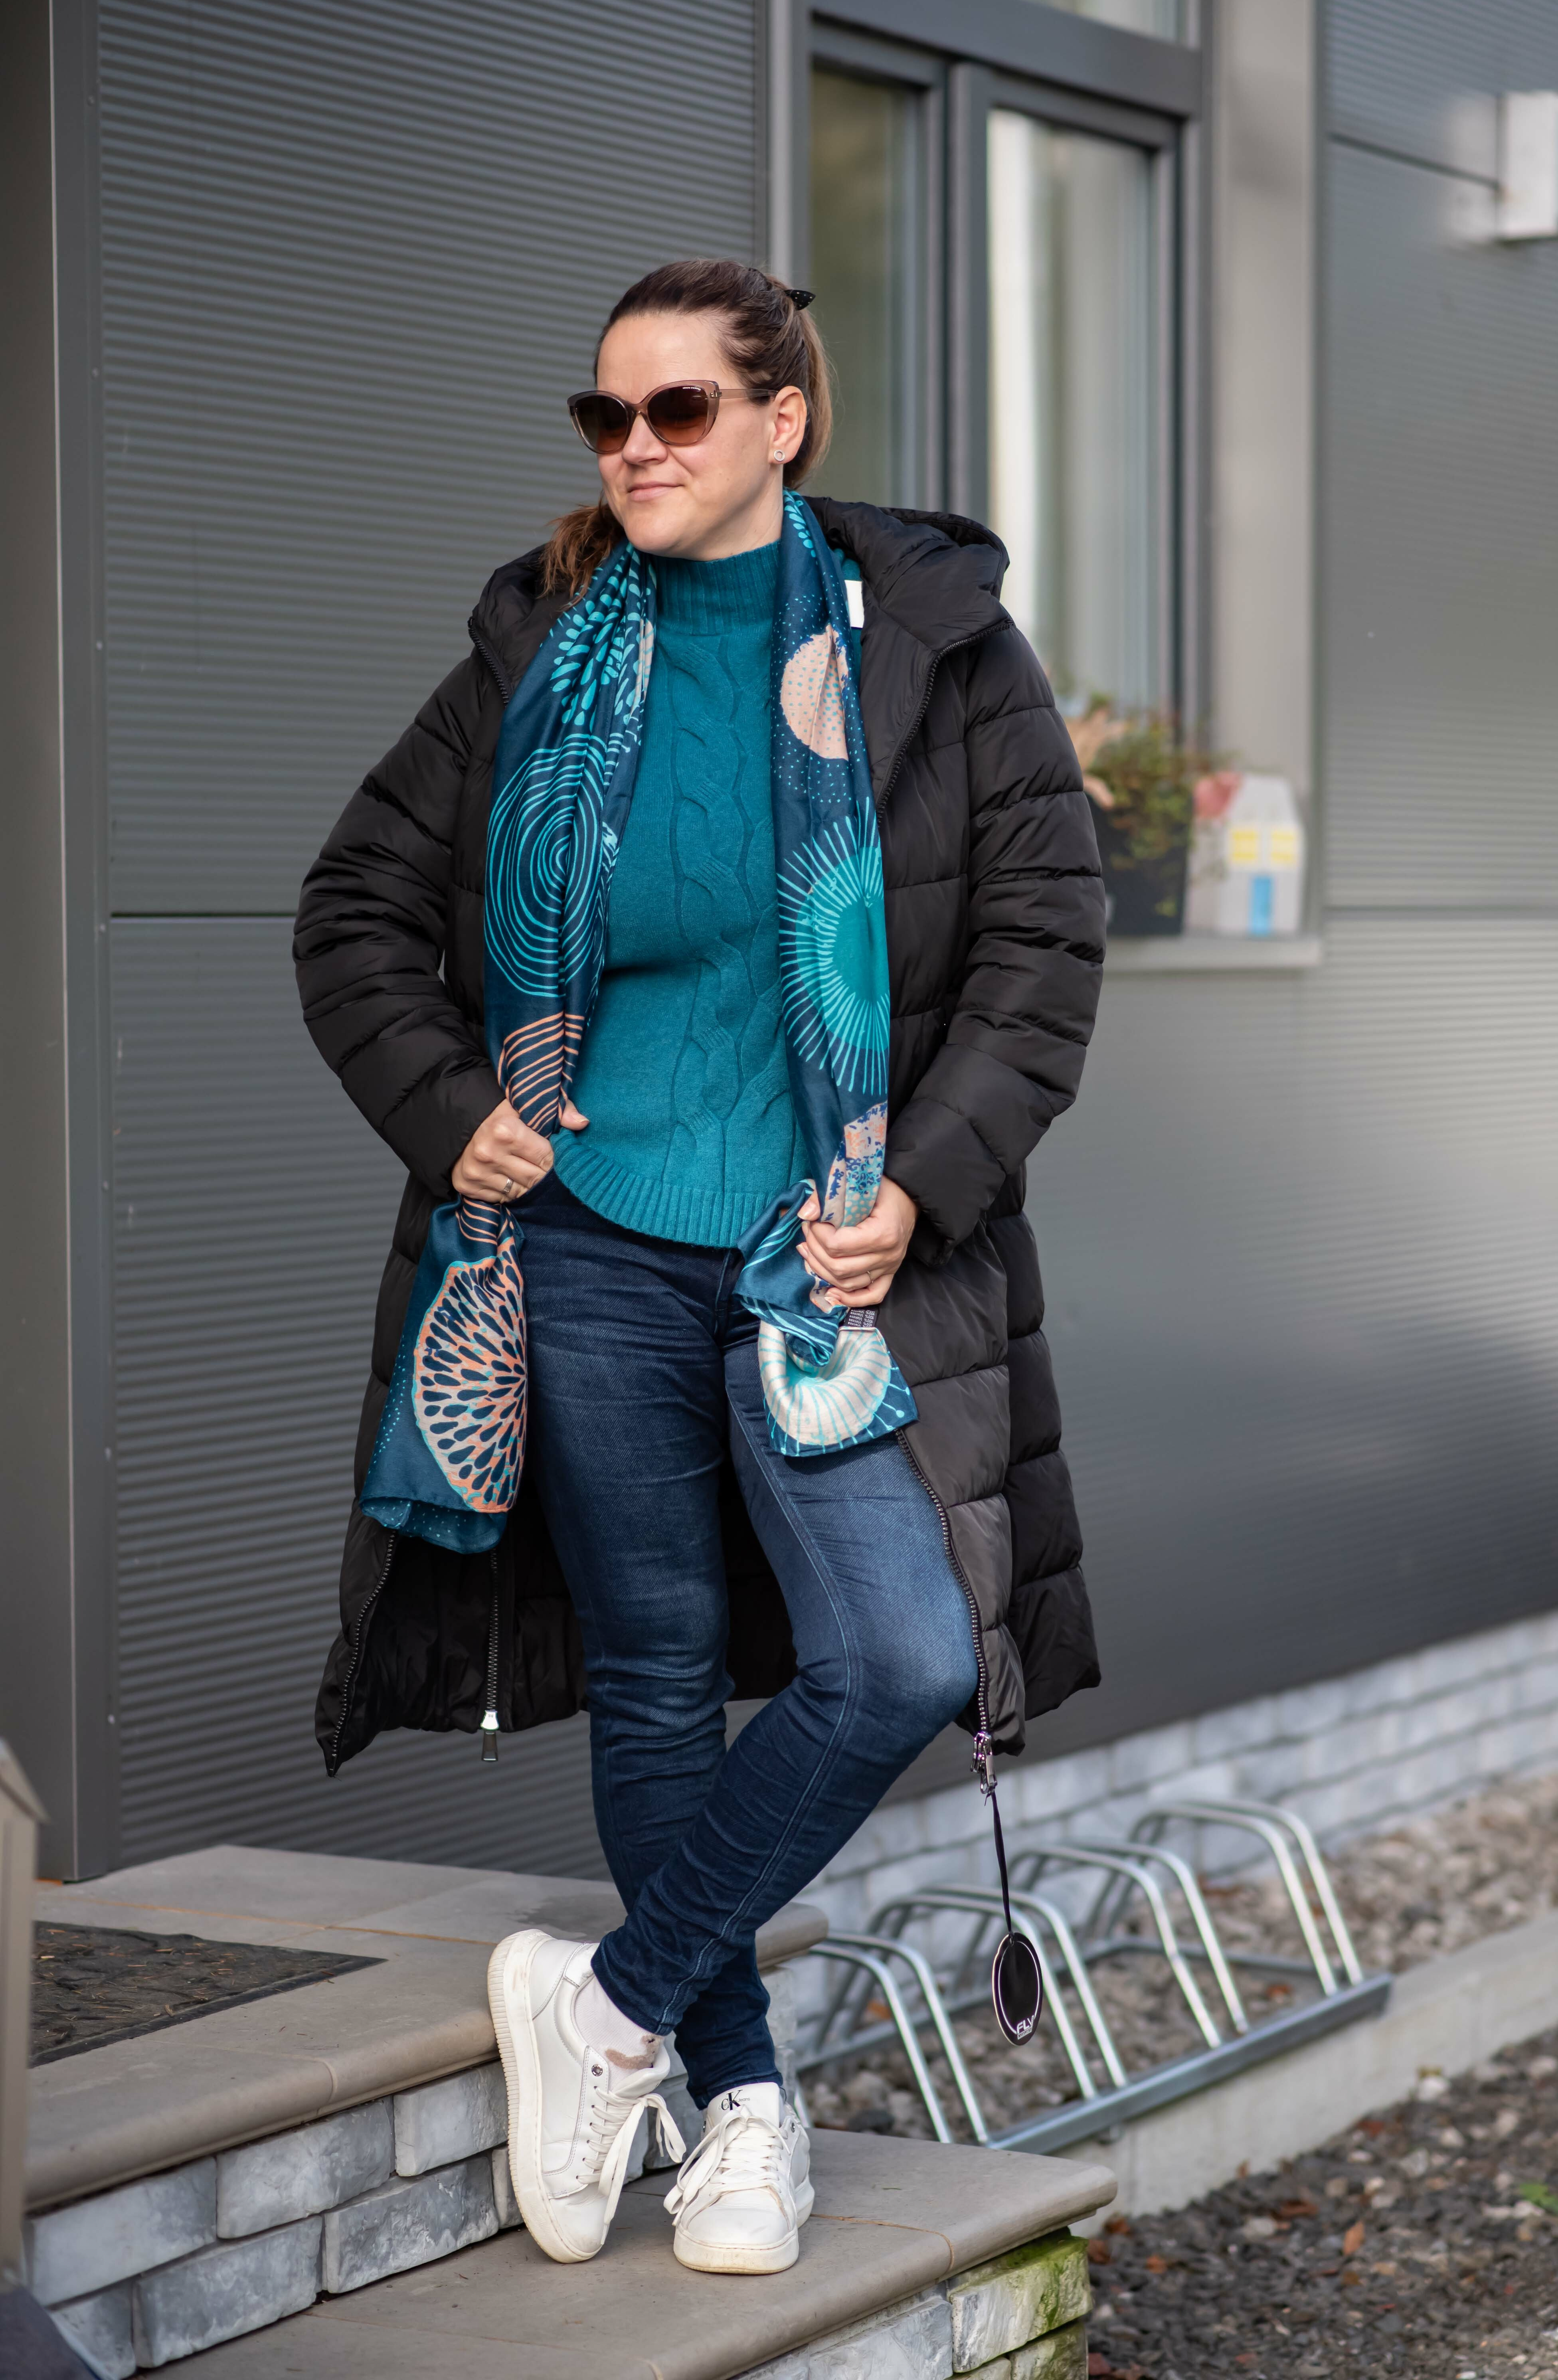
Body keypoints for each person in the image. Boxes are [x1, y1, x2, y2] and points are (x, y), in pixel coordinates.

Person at [294, 257, 1104, 2277]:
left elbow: (1041, 955)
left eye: (676, 409)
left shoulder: (940, 648)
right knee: (654, 1676)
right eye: (607, 415)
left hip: (820, 1256)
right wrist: (448, 1110)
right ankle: (739, 2106)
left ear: (780, 419)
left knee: (896, 1656)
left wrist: (921, 1186)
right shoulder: (542, 647)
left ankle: (606, 2007)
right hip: (585, 1242)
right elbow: (352, 910)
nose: (634, 447)